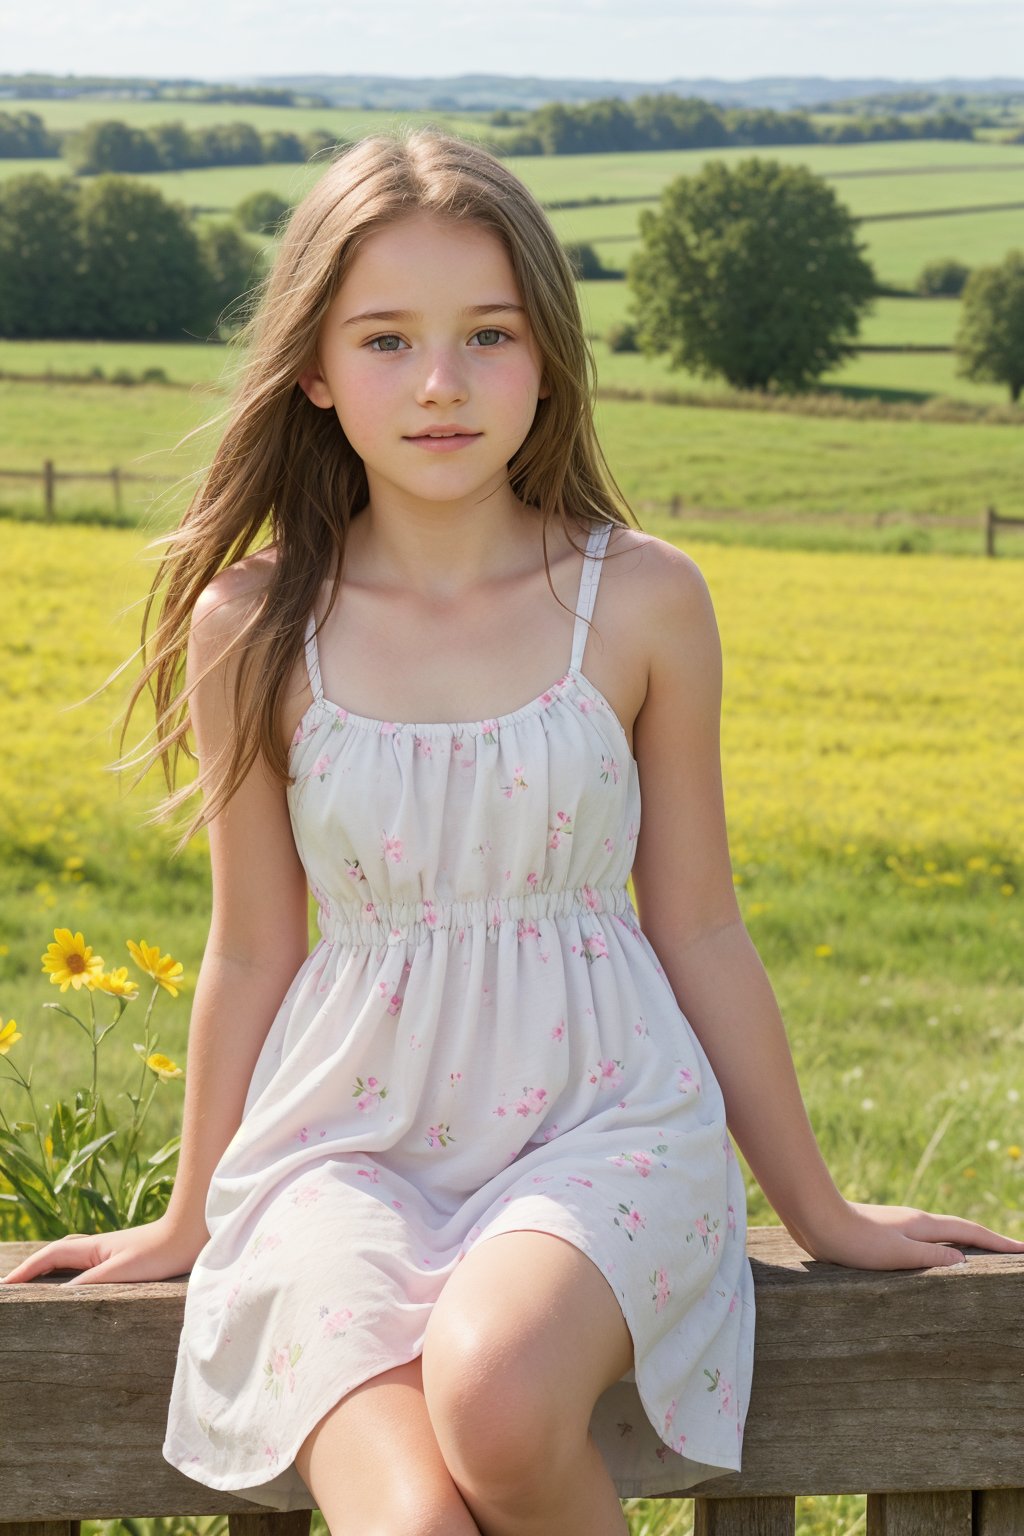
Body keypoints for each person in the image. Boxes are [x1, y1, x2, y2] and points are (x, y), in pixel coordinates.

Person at [2, 127, 1020, 1536]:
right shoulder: (253, 625)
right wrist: (186, 1223)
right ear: (311, 369)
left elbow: (702, 924)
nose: (440, 383)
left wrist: (826, 1212)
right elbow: (248, 950)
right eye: (385, 340)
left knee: (491, 1395)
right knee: (411, 1520)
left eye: (488, 333)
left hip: (606, 1124)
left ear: (545, 355)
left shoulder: (643, 599)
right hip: (338, 1152)